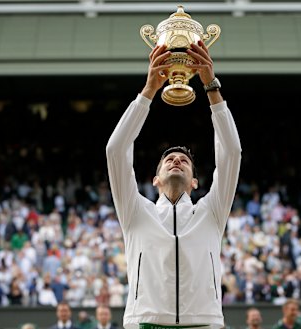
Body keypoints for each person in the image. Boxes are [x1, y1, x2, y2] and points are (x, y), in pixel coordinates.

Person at [106, 38, 241, 329]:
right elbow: (115, 150)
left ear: (194, 182)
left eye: (184, 160)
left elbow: (231, 153)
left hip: (204, 323)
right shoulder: (135, 211)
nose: (176, 160)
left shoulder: (212, 211)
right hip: (145, 323)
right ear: (155, 180)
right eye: (168, 159)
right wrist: (149, 90)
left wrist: (211, 86)